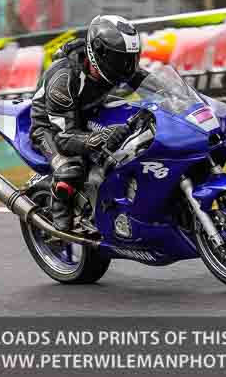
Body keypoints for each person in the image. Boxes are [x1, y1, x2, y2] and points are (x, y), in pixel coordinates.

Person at [30, 15, 147, 232]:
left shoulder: (118, 66)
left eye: (130, 59)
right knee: (71, 169)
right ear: (99, 54)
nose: (126, 67)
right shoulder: (64, 79)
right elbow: (63, 137)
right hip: (50, 126)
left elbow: (154, 85)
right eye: (119, 59)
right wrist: (100, 138)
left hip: (88, 112)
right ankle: (59, 209)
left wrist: (177, 99)